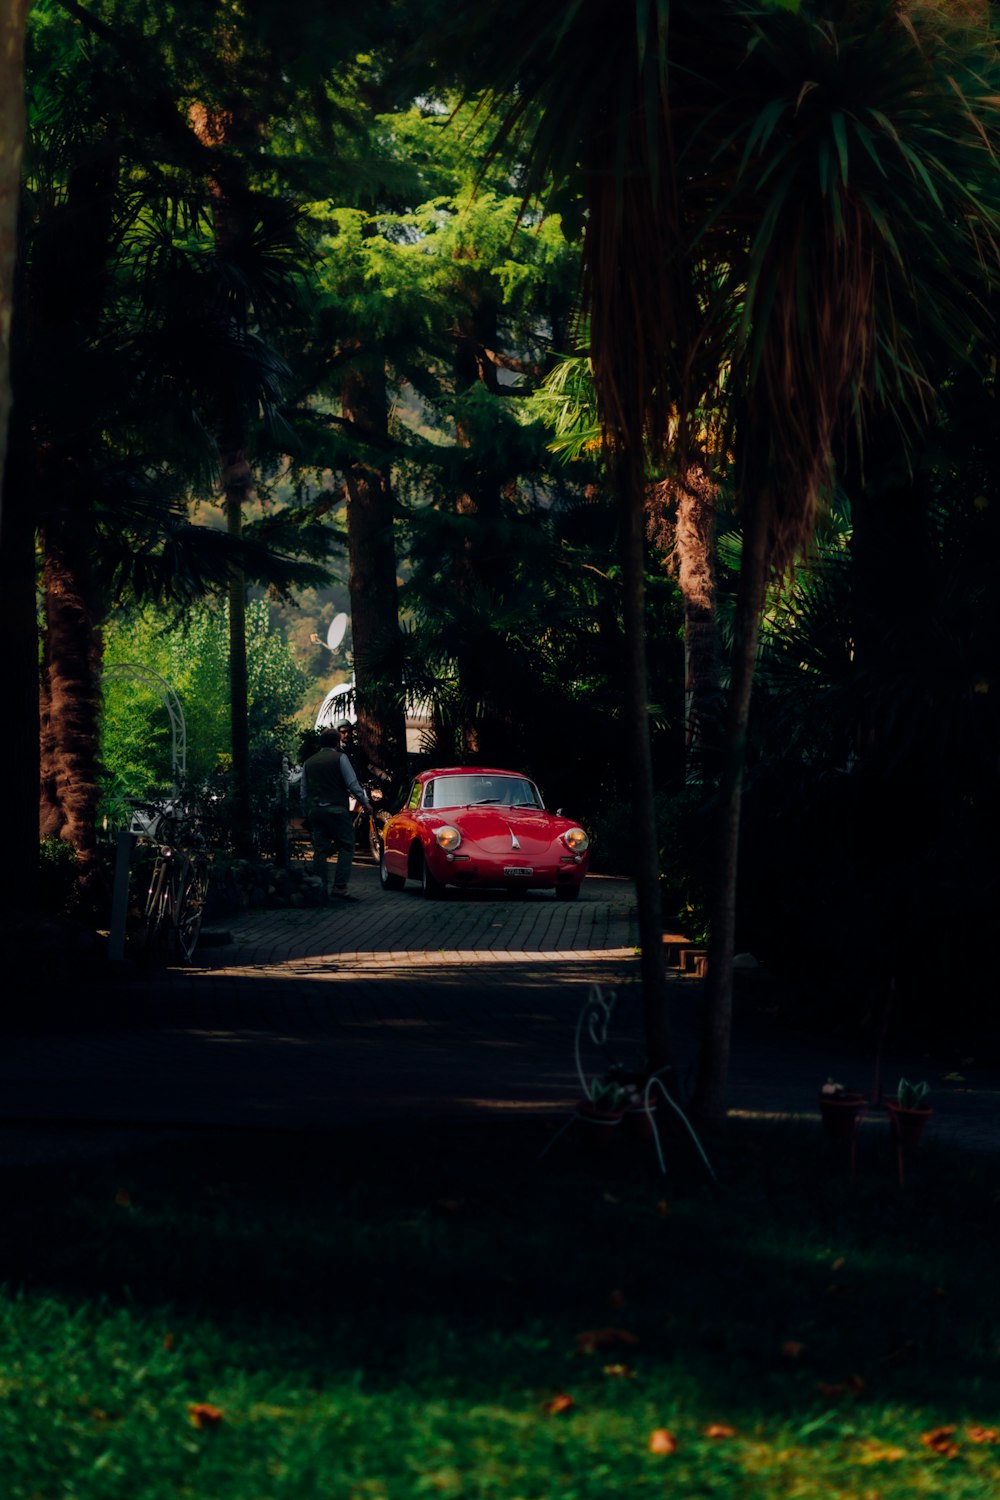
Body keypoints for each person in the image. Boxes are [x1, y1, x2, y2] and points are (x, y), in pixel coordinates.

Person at [300, 727, 373, 901]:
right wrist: (365, 803)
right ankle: (340, 887)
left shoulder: (308, 762)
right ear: (336, 742)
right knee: (346, 845)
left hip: (316, 811)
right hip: (337, 809)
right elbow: (352, 784)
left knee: (320, 849)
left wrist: (305, 814)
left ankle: (320, 886)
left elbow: (303, 792)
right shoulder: (340, 758)